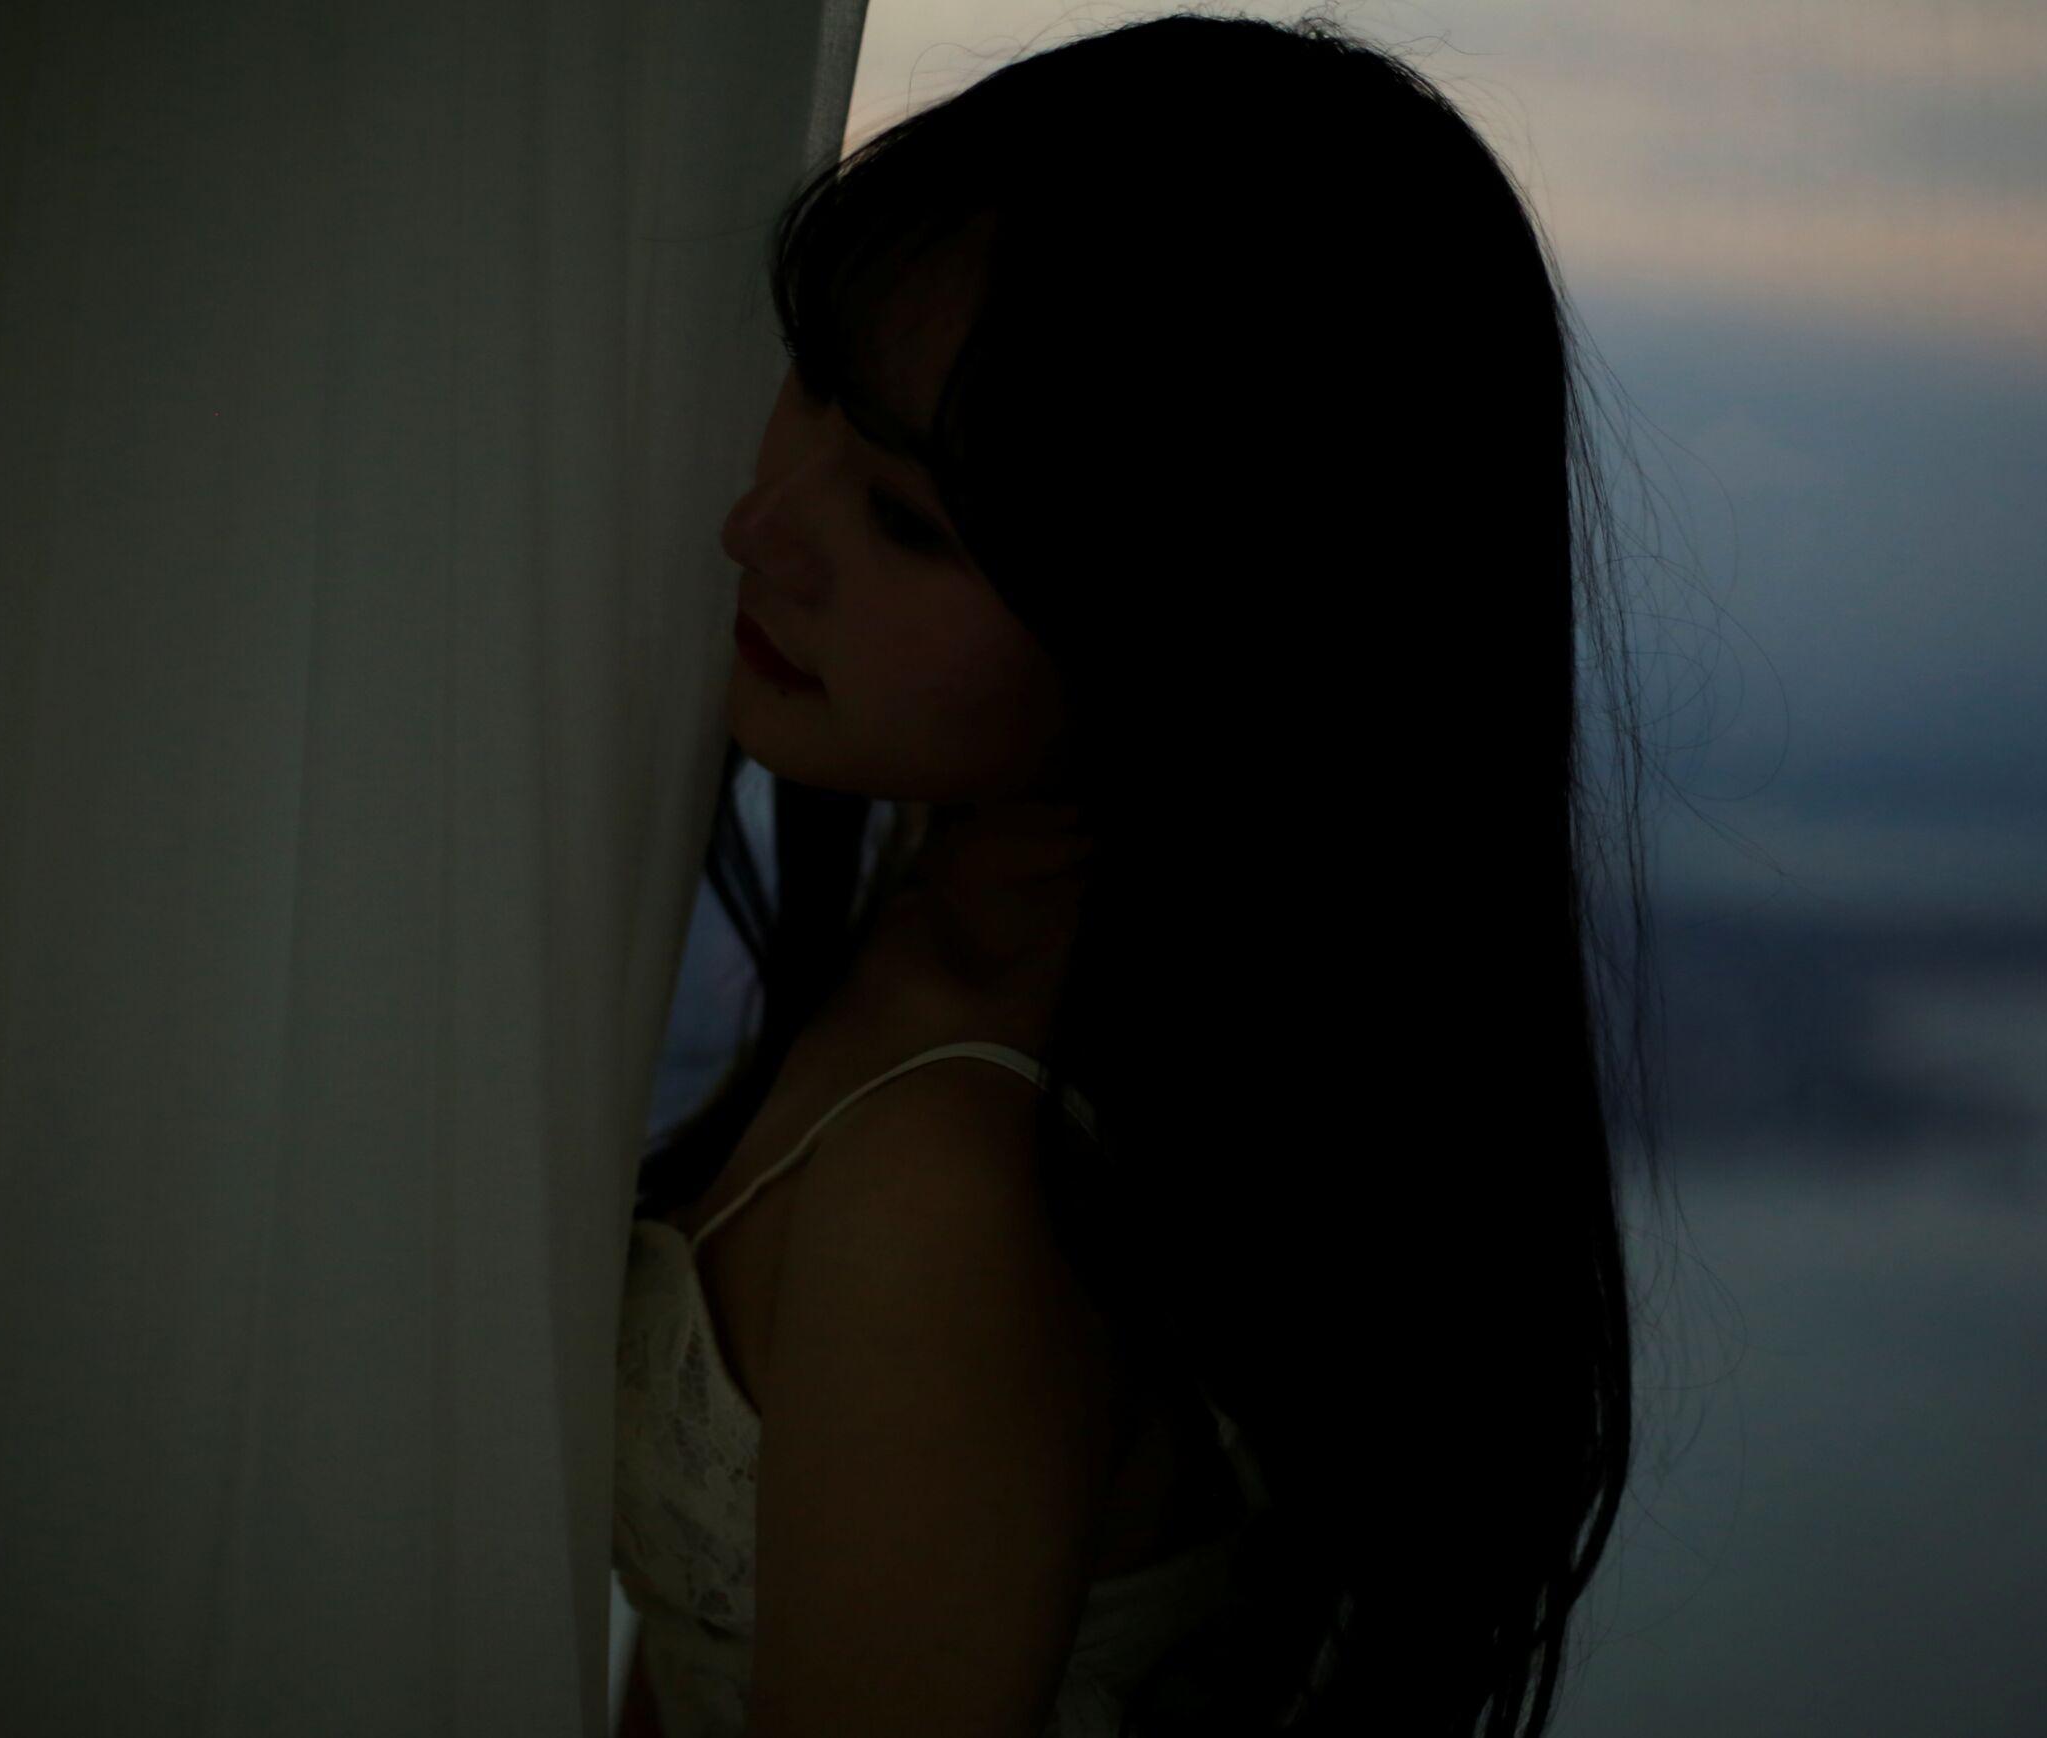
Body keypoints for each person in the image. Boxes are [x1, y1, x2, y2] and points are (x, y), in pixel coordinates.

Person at [618, 9, 1674, 1734]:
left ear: (1196, 636)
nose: (761, 525)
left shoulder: (953, 1188)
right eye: (808, 381)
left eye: (906, 521)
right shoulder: (973, 949)